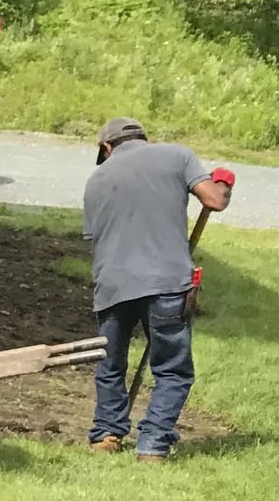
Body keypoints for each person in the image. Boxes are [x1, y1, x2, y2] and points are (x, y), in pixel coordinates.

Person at [83, 117, 232, 460]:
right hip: (167, 282)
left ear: (107, 147)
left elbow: (95, 239)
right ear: (144, 140)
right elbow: (214, 200)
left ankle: (106, 434)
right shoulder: (177, 156)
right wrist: (223, 183)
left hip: (113, 285)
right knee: (173, 369)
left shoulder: (96, 179)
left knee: (110, 364)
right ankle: (152, 443)